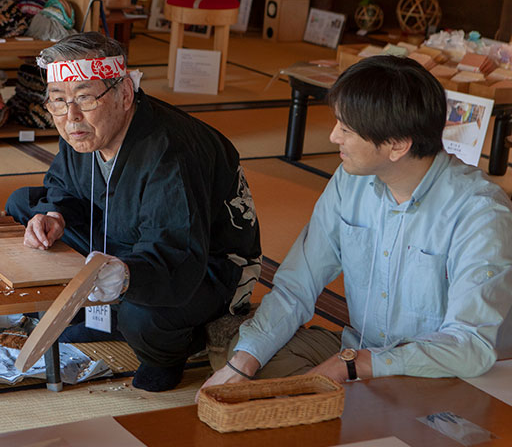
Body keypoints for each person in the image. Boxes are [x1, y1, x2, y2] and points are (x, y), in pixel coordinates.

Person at [199, 55, 512, 397]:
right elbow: (297, 286)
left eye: (347, 129)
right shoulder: (351, 181)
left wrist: (353, 365)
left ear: (397, 145)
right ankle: (355, 401)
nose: (334, 137)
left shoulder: (480, 211)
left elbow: (468, 346)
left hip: (440, 369)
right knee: (244, 355)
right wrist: (241, 365)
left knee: (437, 400)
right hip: (359, 348)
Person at [6, 32, 262, 392]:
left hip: (205, 265)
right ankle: (102, 314)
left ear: (125, 94)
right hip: (124, 234)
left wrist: (128, 277)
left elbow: (177, 251)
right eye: (58, 101)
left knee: (141, 314)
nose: (71, 116)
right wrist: (55, 216)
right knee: (23, 204)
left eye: (85, 97)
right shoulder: (83, 130)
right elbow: (61, 185)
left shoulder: (172, 151)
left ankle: (169, 353)